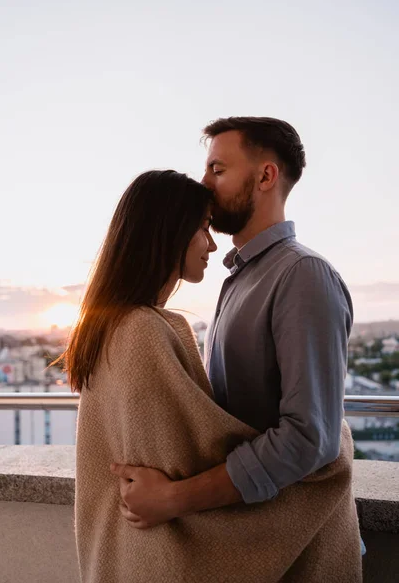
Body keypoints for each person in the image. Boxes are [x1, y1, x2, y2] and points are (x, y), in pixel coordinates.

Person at [110, 118, 363, 580]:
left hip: (299, 554)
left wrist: (173, 498)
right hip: (252, 549)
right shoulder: (240, 279)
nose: (204, 185)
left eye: (217, 169)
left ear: (265, 176)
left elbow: (310, 439)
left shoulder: (301, 275)